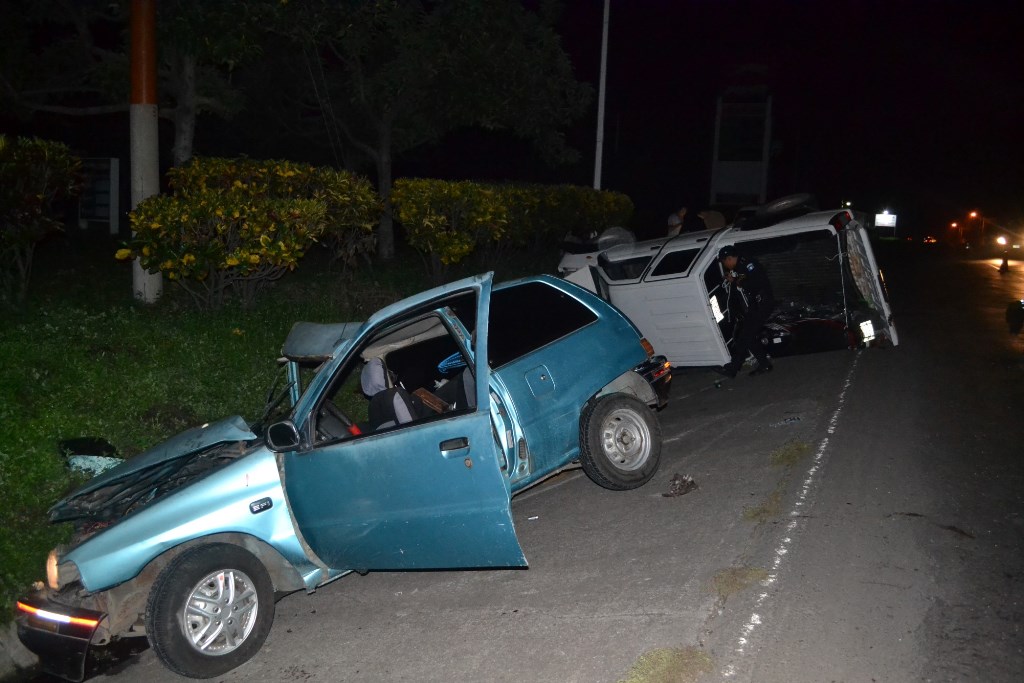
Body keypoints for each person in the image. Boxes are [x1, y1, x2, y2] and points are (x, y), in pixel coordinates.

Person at [714, 245, 775, 377]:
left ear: (729, 258)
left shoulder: (747, 264)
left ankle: (732, 370)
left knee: (744, 337)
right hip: (757, 305)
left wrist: (735, 280)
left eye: (724, 262)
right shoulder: (742, 265)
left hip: (762, 304)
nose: (725, 265)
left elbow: (755, 283)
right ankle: (764, 364)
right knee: (748, 337)